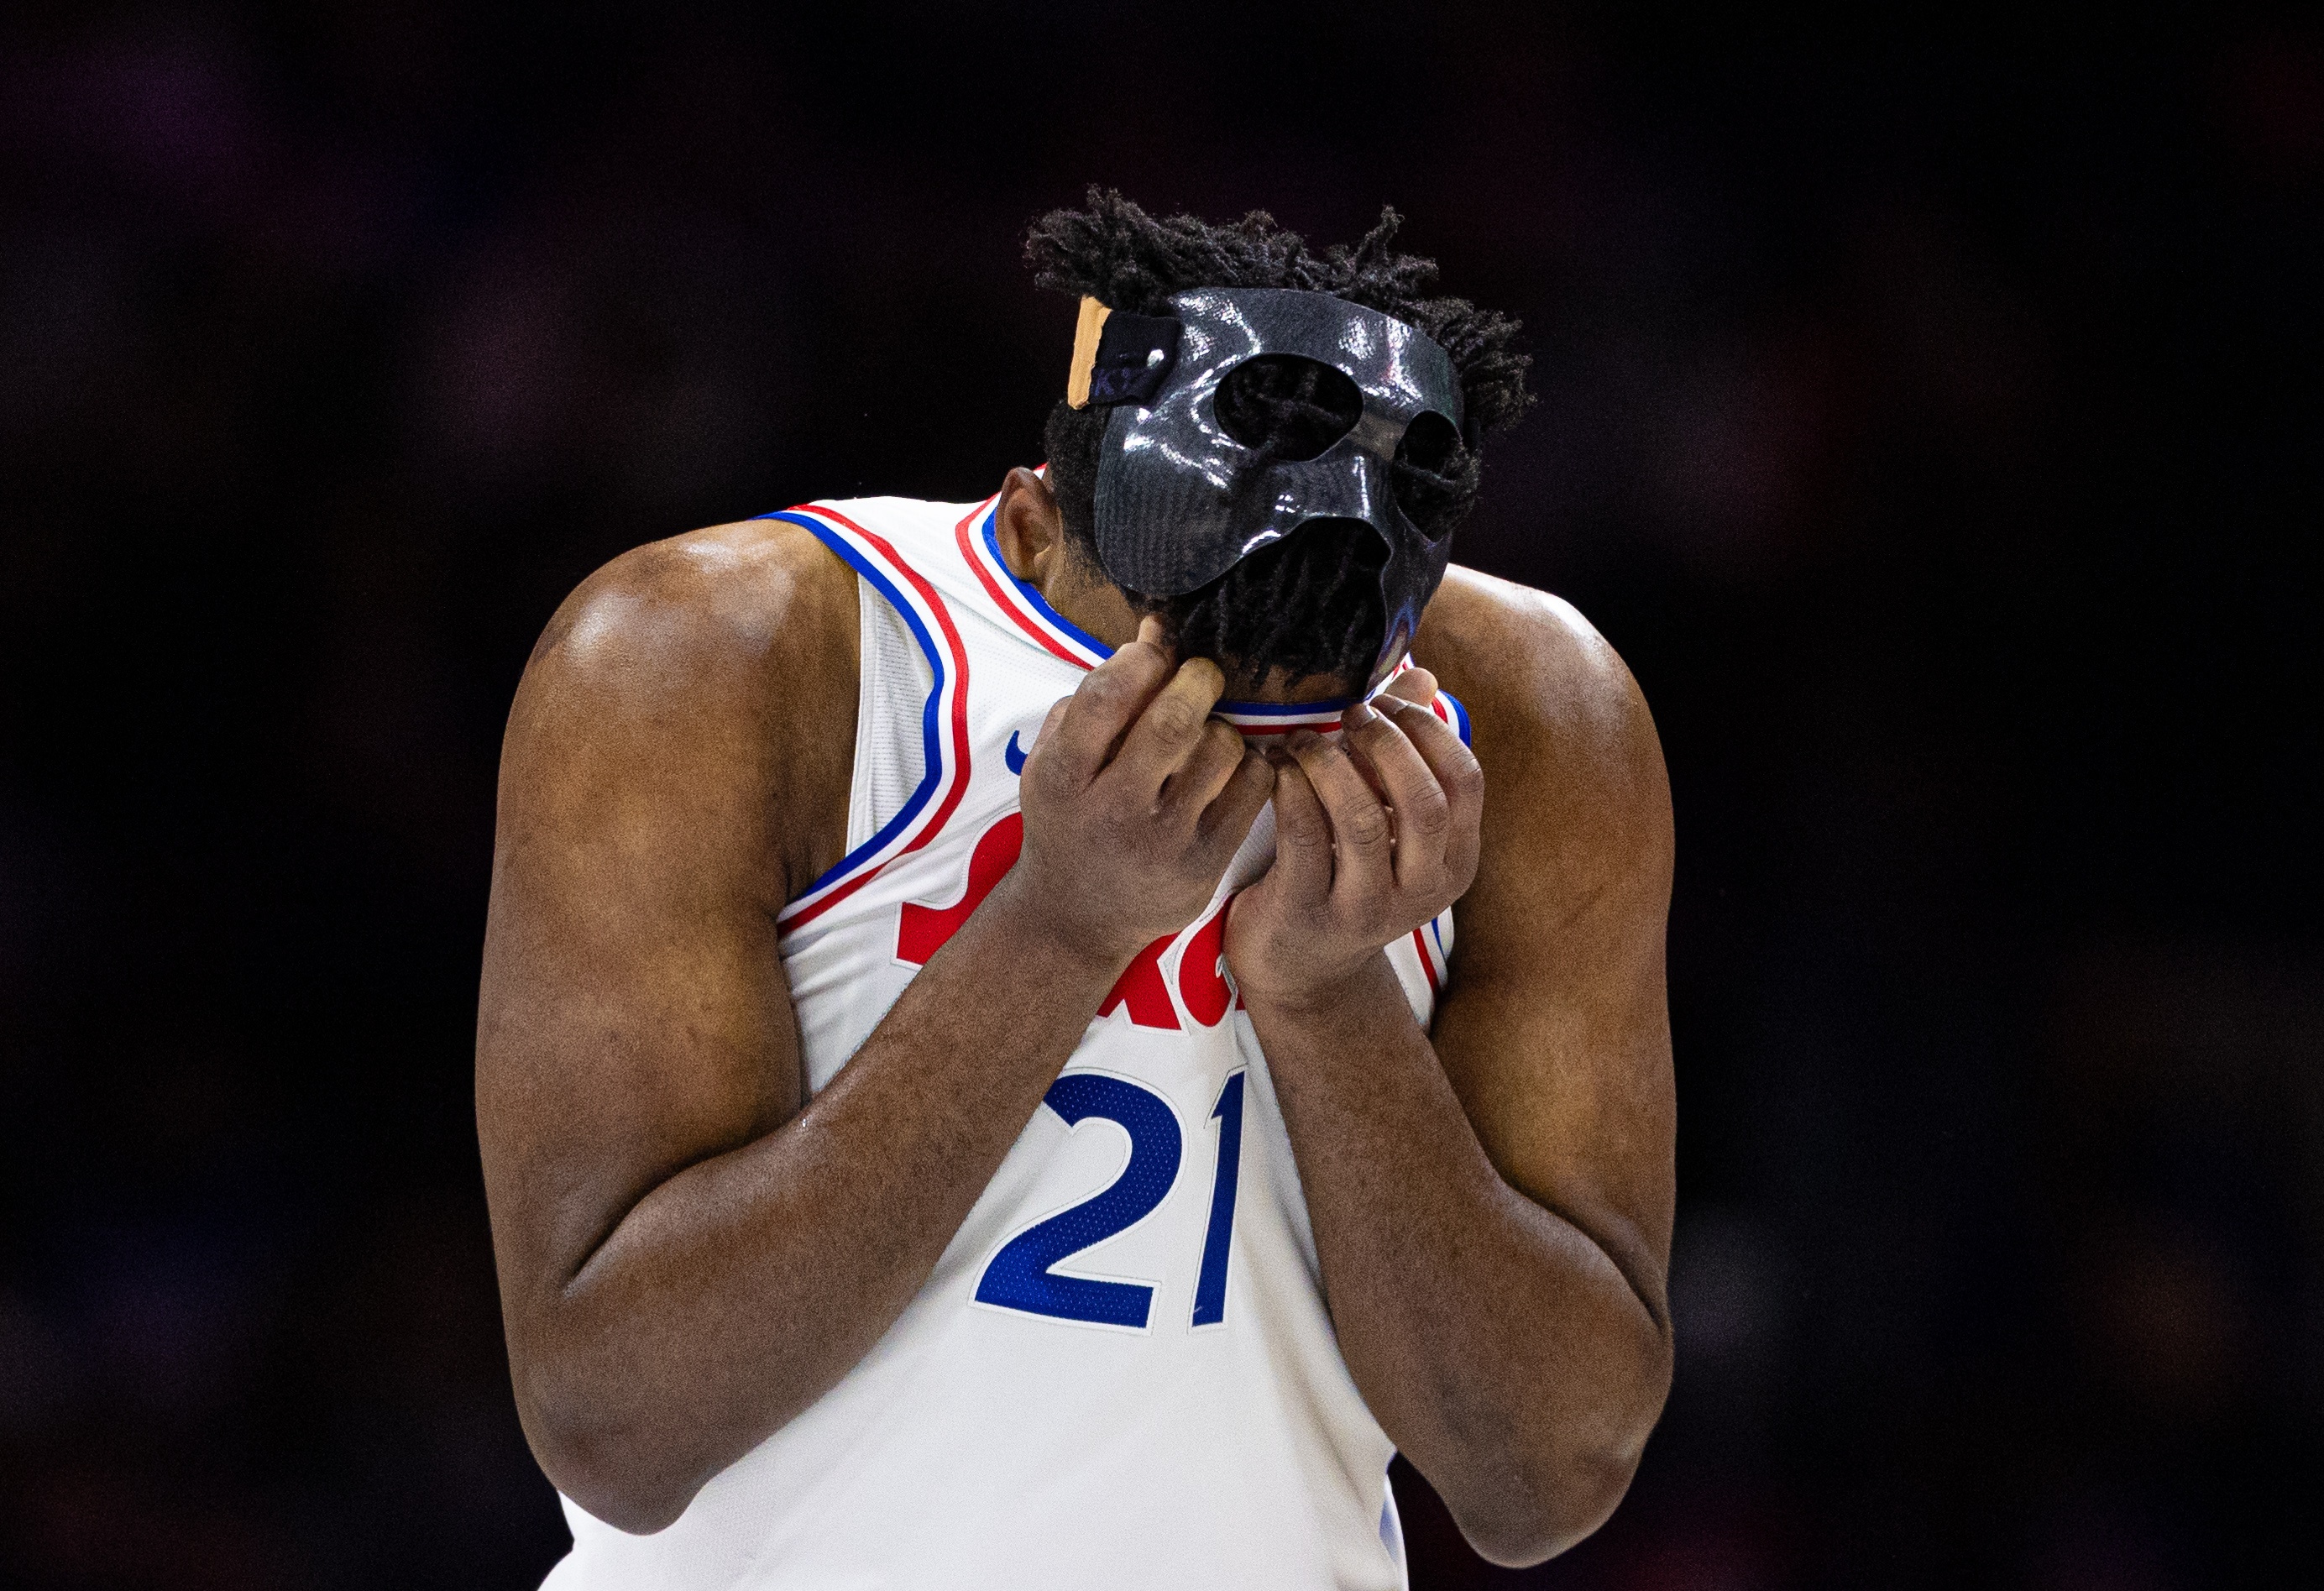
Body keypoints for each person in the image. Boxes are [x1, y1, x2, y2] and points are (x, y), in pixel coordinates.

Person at [475, 191, 1677, 1589]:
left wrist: (1330, 999)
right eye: (1189, 647)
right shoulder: (720, 656)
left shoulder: (1532, 710)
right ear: (1040, 509)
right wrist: (1054, 934)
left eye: (1304, 688)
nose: (1239, 729)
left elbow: (1544, 1482)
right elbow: (615, 1428)